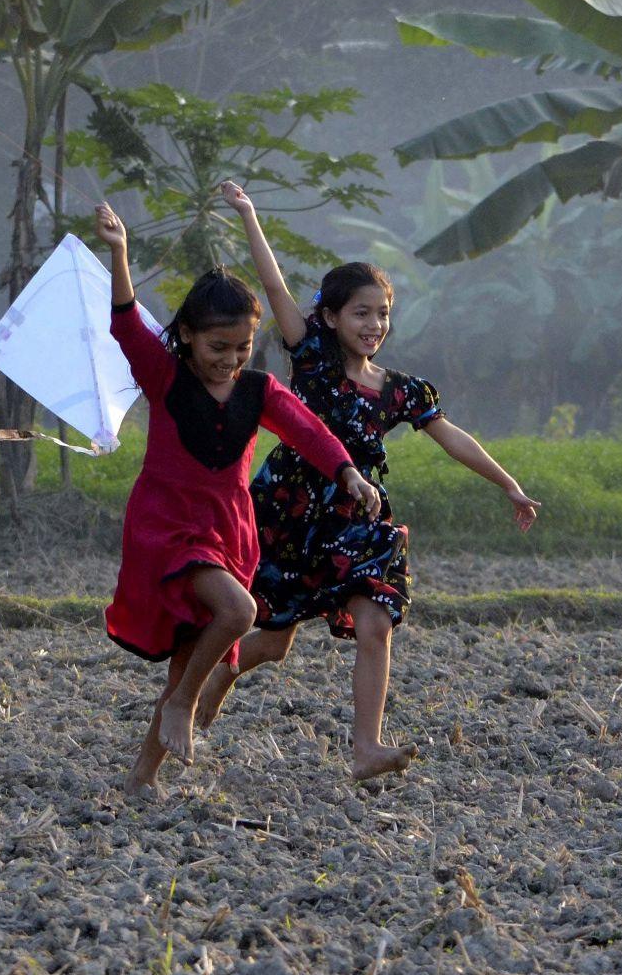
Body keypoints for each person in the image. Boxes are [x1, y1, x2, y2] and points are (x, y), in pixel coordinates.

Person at [197, 181, 540, 780]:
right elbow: (274, 287)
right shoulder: (312, 358)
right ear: (330, 317)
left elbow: (452, 435)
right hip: (289, 513)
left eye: (383, 313)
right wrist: (250, 214)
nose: (374, 323)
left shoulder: (400, 388)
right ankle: (203, 693)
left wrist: (507, 484)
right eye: (361, 312)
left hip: (358, 518)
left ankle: (366, 747)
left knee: (376, 620)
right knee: (272, 641)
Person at [96, 203, 380, 794]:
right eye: (217, 347)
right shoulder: (165, 376)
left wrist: (348, 473)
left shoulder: (259, 390)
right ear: (189, 338)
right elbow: (124, 322)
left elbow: (308, 429)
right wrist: (120, 252)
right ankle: (183, 706)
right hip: (167, 528)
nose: (229, 360)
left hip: (228, 532)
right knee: (240, 612)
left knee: (187, 658)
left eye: (243, 348)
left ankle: (140, 779)